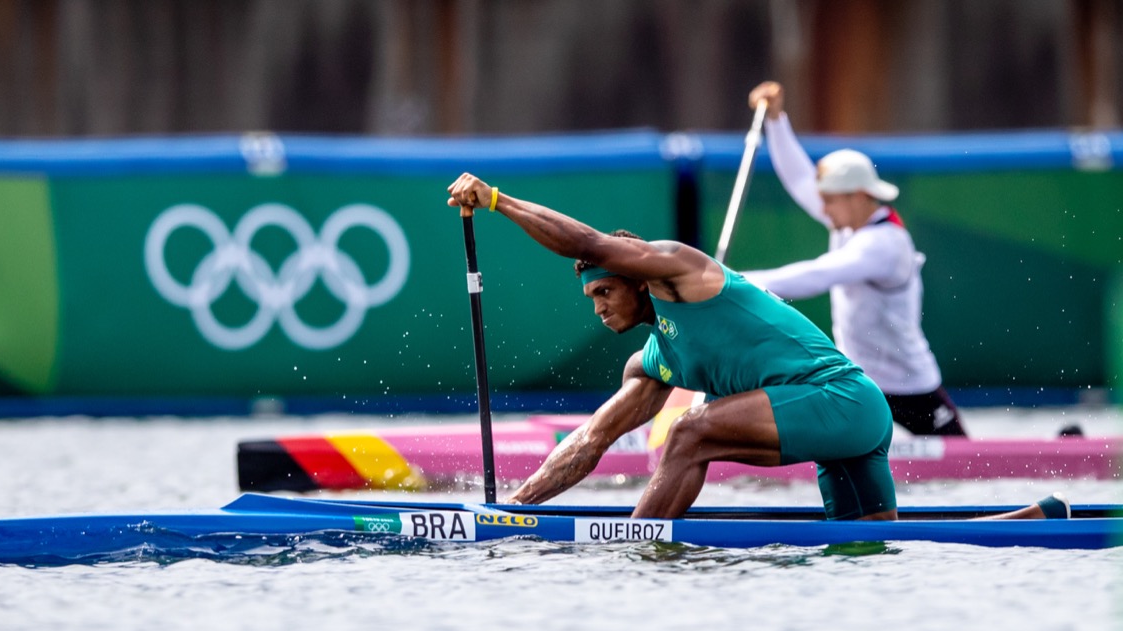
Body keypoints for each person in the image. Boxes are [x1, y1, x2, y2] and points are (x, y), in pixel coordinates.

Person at [444, 172, 1066, 522]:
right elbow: (590, 441)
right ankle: (1034, 519)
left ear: (637, 279)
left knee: (689, 432)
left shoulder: (679, 269)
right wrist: (509, 513)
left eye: (605, 290)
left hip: (842, 400)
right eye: (591, 299)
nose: (600, 306)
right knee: (870, 546)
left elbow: (588, 242)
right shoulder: (653, 362)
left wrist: (498, 201)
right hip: (842, 429)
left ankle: (641, 547)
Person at [739, 81, 967, 438]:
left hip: (910, 386)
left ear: (859, 196)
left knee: (967, 466)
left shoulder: (885, 244)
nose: (822, 208)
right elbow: (799, 178)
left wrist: (731, 282)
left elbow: (818, 275)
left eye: (829, 200)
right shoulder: (846, 219)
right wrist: (777, 121)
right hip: (857, 381)